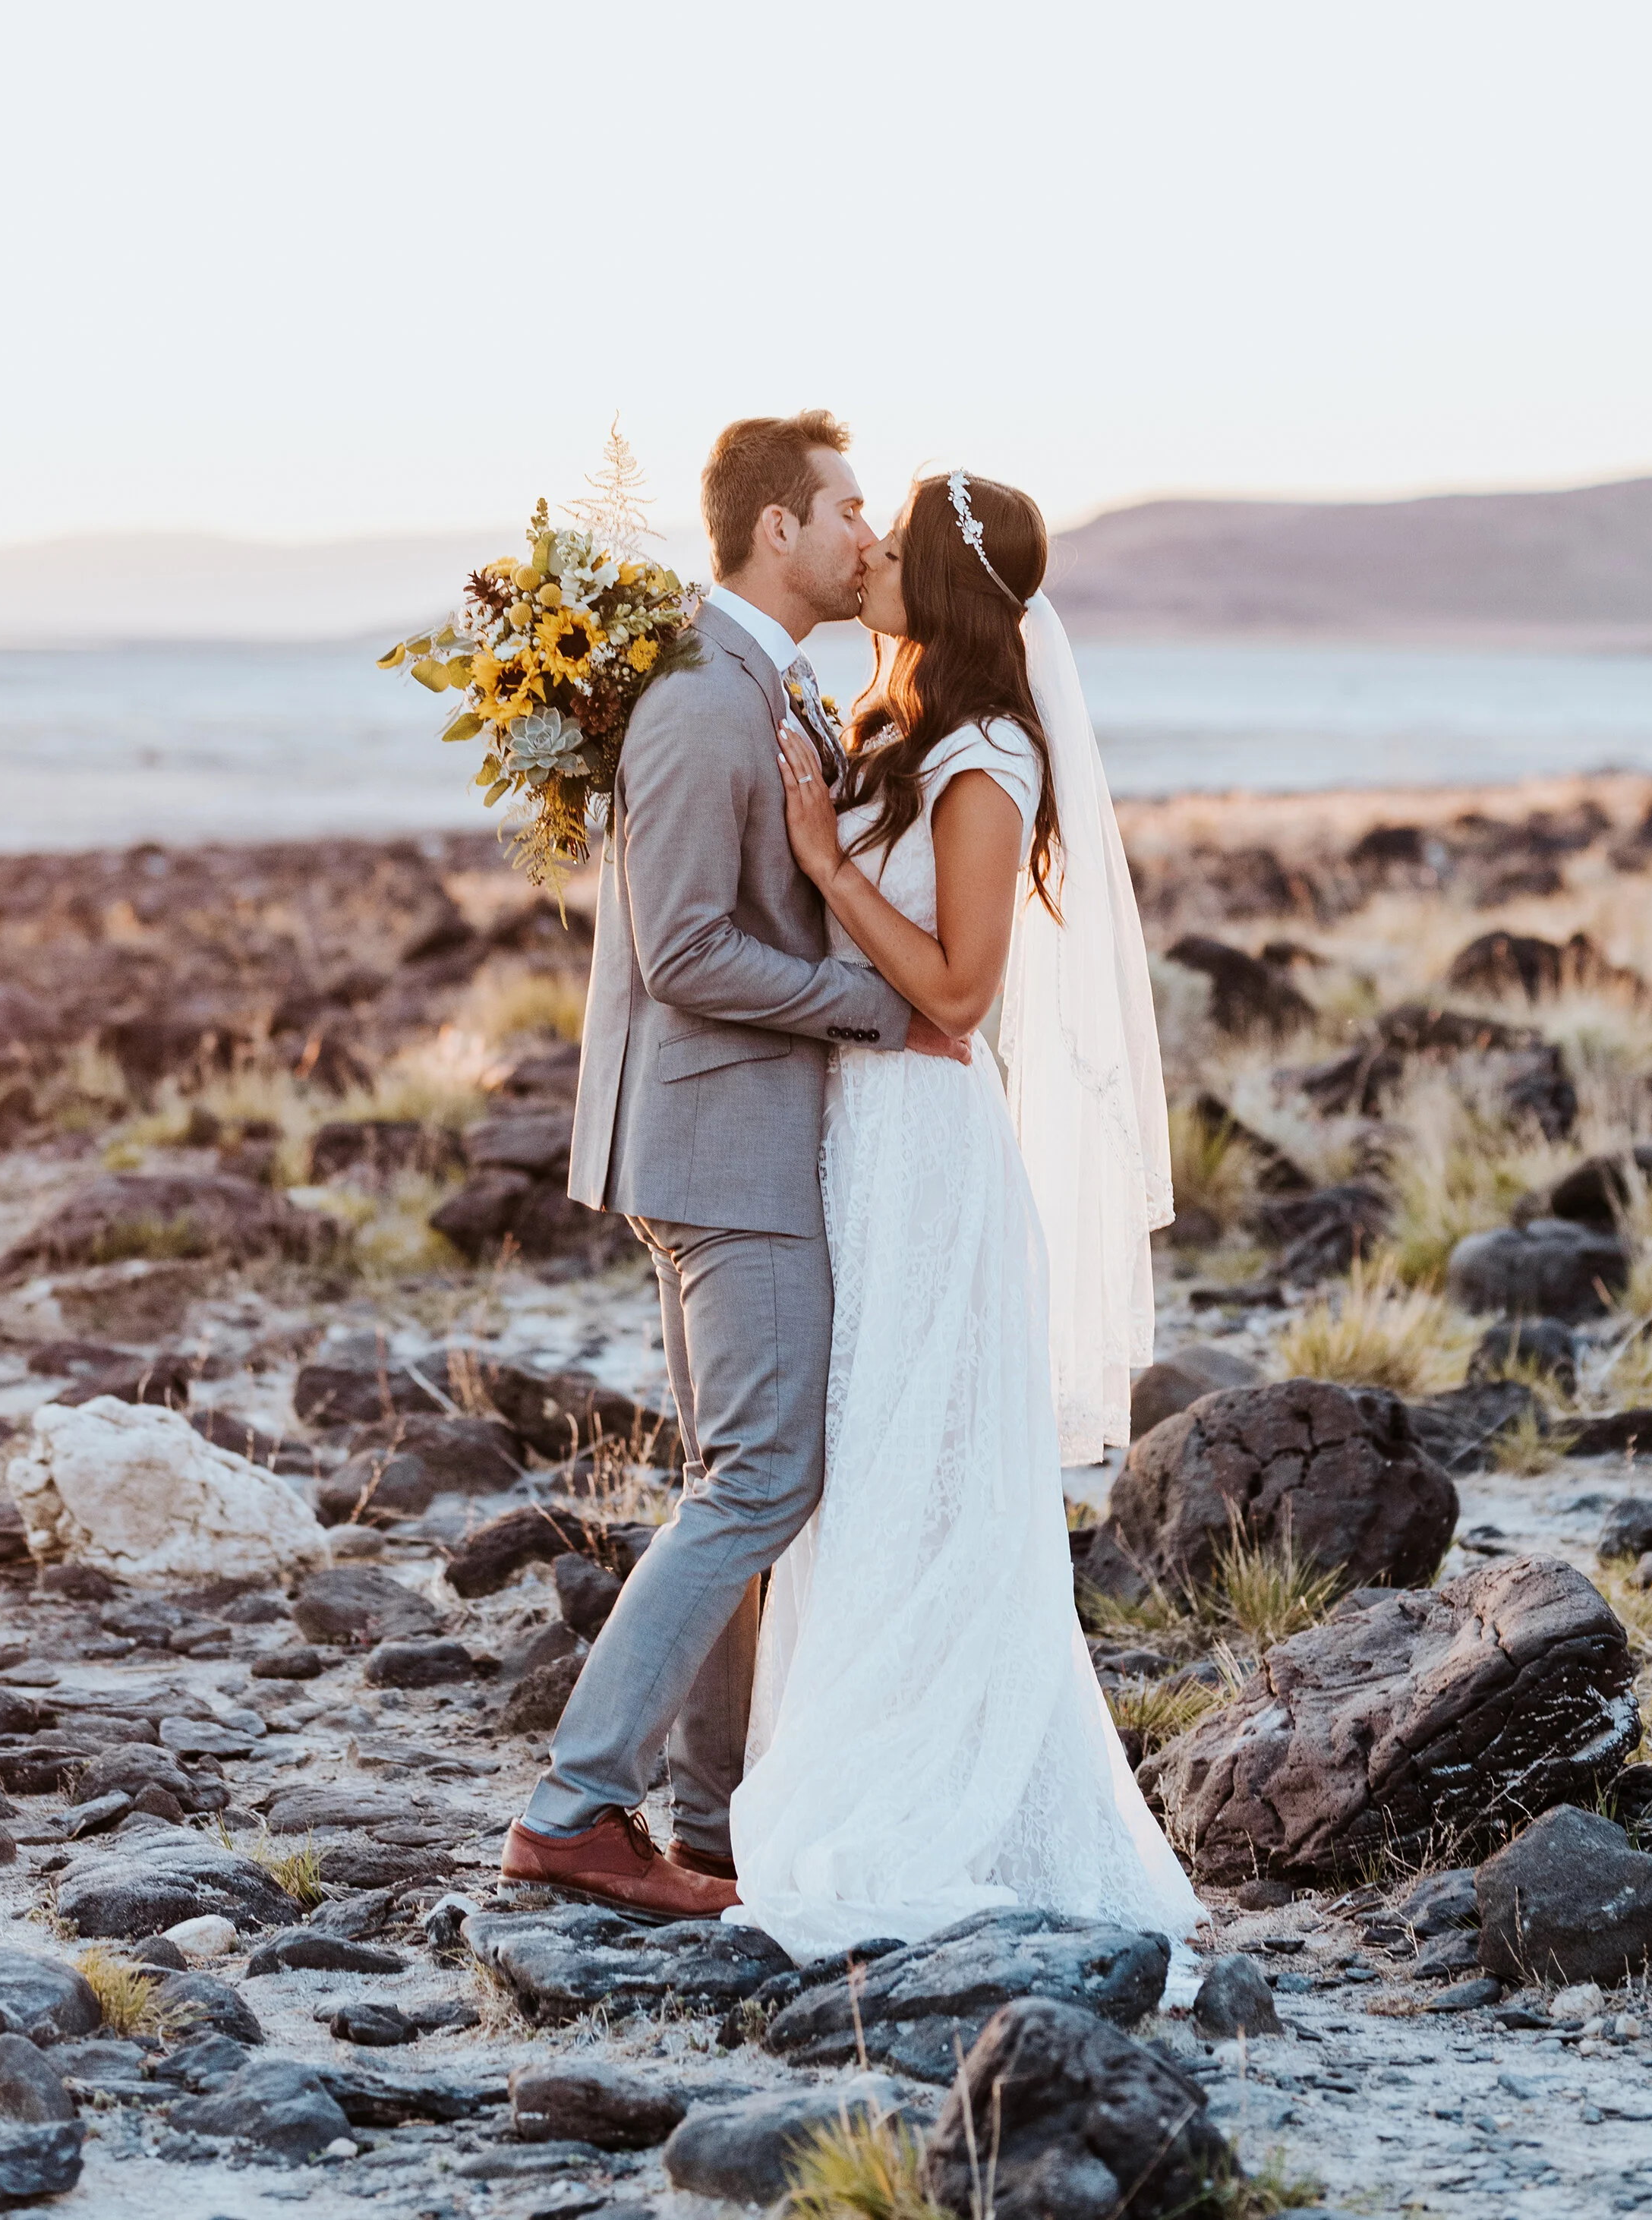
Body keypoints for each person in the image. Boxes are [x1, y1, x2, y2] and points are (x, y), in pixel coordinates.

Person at [725, 468, 1206, 1972]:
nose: (863, 551)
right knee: (863, 1469)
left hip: (929, 1148)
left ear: (936, 581)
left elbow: (956, 992)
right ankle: (855, 1758)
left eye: (890, 539)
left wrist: (819, 865)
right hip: (855, 1140)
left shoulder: (988, 753)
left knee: (919, 1470)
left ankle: (928, 1804)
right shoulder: (888, 725)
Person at [497, 412, 966, 1919]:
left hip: (733, 1133)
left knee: (746, 1475)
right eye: (843, 509)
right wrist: (877, 1009)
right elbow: (685, 945)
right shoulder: (705, 698)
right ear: (777, 528)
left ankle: (707, 1821)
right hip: (720, 1138)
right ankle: (577, 1807)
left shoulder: (762, 680)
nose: (863, 537)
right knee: (764, 1477)